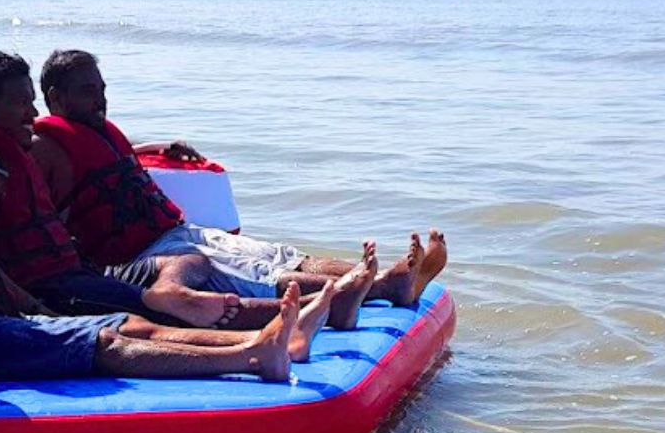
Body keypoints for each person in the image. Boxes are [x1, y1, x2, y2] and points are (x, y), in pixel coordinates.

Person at [0, 33, 303, 382]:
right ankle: (256, 350)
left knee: (143, 308)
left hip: (4, 306)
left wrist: (29, 306)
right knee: (111, 336)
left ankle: (268, 338)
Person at [0, 49, 377, 360]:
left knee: (181, 281)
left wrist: (154, 146)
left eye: (31, 102)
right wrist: (29, 305)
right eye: (21, 103)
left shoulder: (12, 155)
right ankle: (295, 319)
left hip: (79, 269)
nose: (30, 113)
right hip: (51, 287)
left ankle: (321, 304)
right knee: (159, 312)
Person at [31, 49, 448, 313]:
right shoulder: (43, 148)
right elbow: (39, 213)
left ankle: (388, 280)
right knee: (251, 273)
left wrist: (160, 146)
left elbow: (111, 164)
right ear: (55, 97)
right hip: (141, 255)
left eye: (102, 89)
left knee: (277, 254)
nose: (101, 99)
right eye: (88, 91)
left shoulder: (96, 130)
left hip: (176, 232)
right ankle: (383, 287)